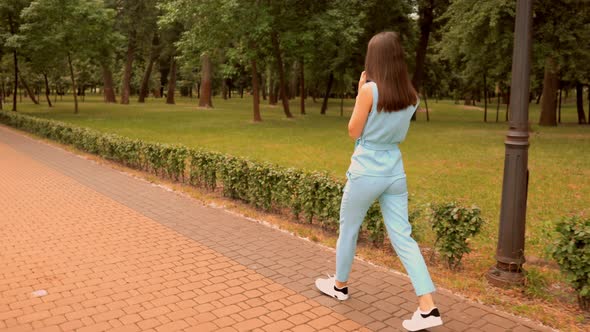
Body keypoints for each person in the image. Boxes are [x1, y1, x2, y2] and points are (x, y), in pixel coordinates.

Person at [314, 31, 443, 331]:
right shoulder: (412, 95)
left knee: (349, 228)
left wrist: (361, 91)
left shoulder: (370, 90)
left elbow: (353, 131)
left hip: (366, 170)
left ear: (374, 59)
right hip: (395, 171)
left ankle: (340, 286)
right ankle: (428, 307)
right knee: (403, 238)